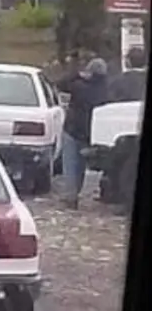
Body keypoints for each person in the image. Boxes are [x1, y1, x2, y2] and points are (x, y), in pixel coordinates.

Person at [57, 57, 110, 209]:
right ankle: (76, 192)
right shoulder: (106, 89)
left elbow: (60, 84)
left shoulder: (79, 86)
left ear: (90, 72)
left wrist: (77, 74)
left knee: (70, 165)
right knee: (81, 166)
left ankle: (71, 197)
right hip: (93, 132)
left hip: (73, 129)